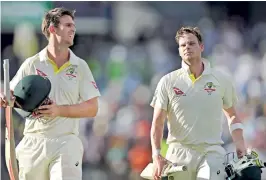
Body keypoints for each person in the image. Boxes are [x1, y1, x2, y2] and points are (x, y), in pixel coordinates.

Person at [0, 7, 100, 180]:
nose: (73, 29)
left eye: (73, 25)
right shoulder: (31, 64)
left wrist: (58, 110)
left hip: (66, 141)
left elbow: (92, 108)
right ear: (53, 29)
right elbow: (12, 95)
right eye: (67, 25)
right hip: (34, 142)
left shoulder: (80, 66)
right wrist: (5, 97)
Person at [150, 26, 247, 180]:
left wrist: (240, 145)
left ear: (201, 47)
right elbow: (157, 122)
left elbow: (232, 116)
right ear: (179, 50)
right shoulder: (167, 81)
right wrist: (156, 155)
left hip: (211, 153)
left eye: (191, 43)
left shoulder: (221, 80)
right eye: (183, 45)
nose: (187, 47)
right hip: (178, 154)